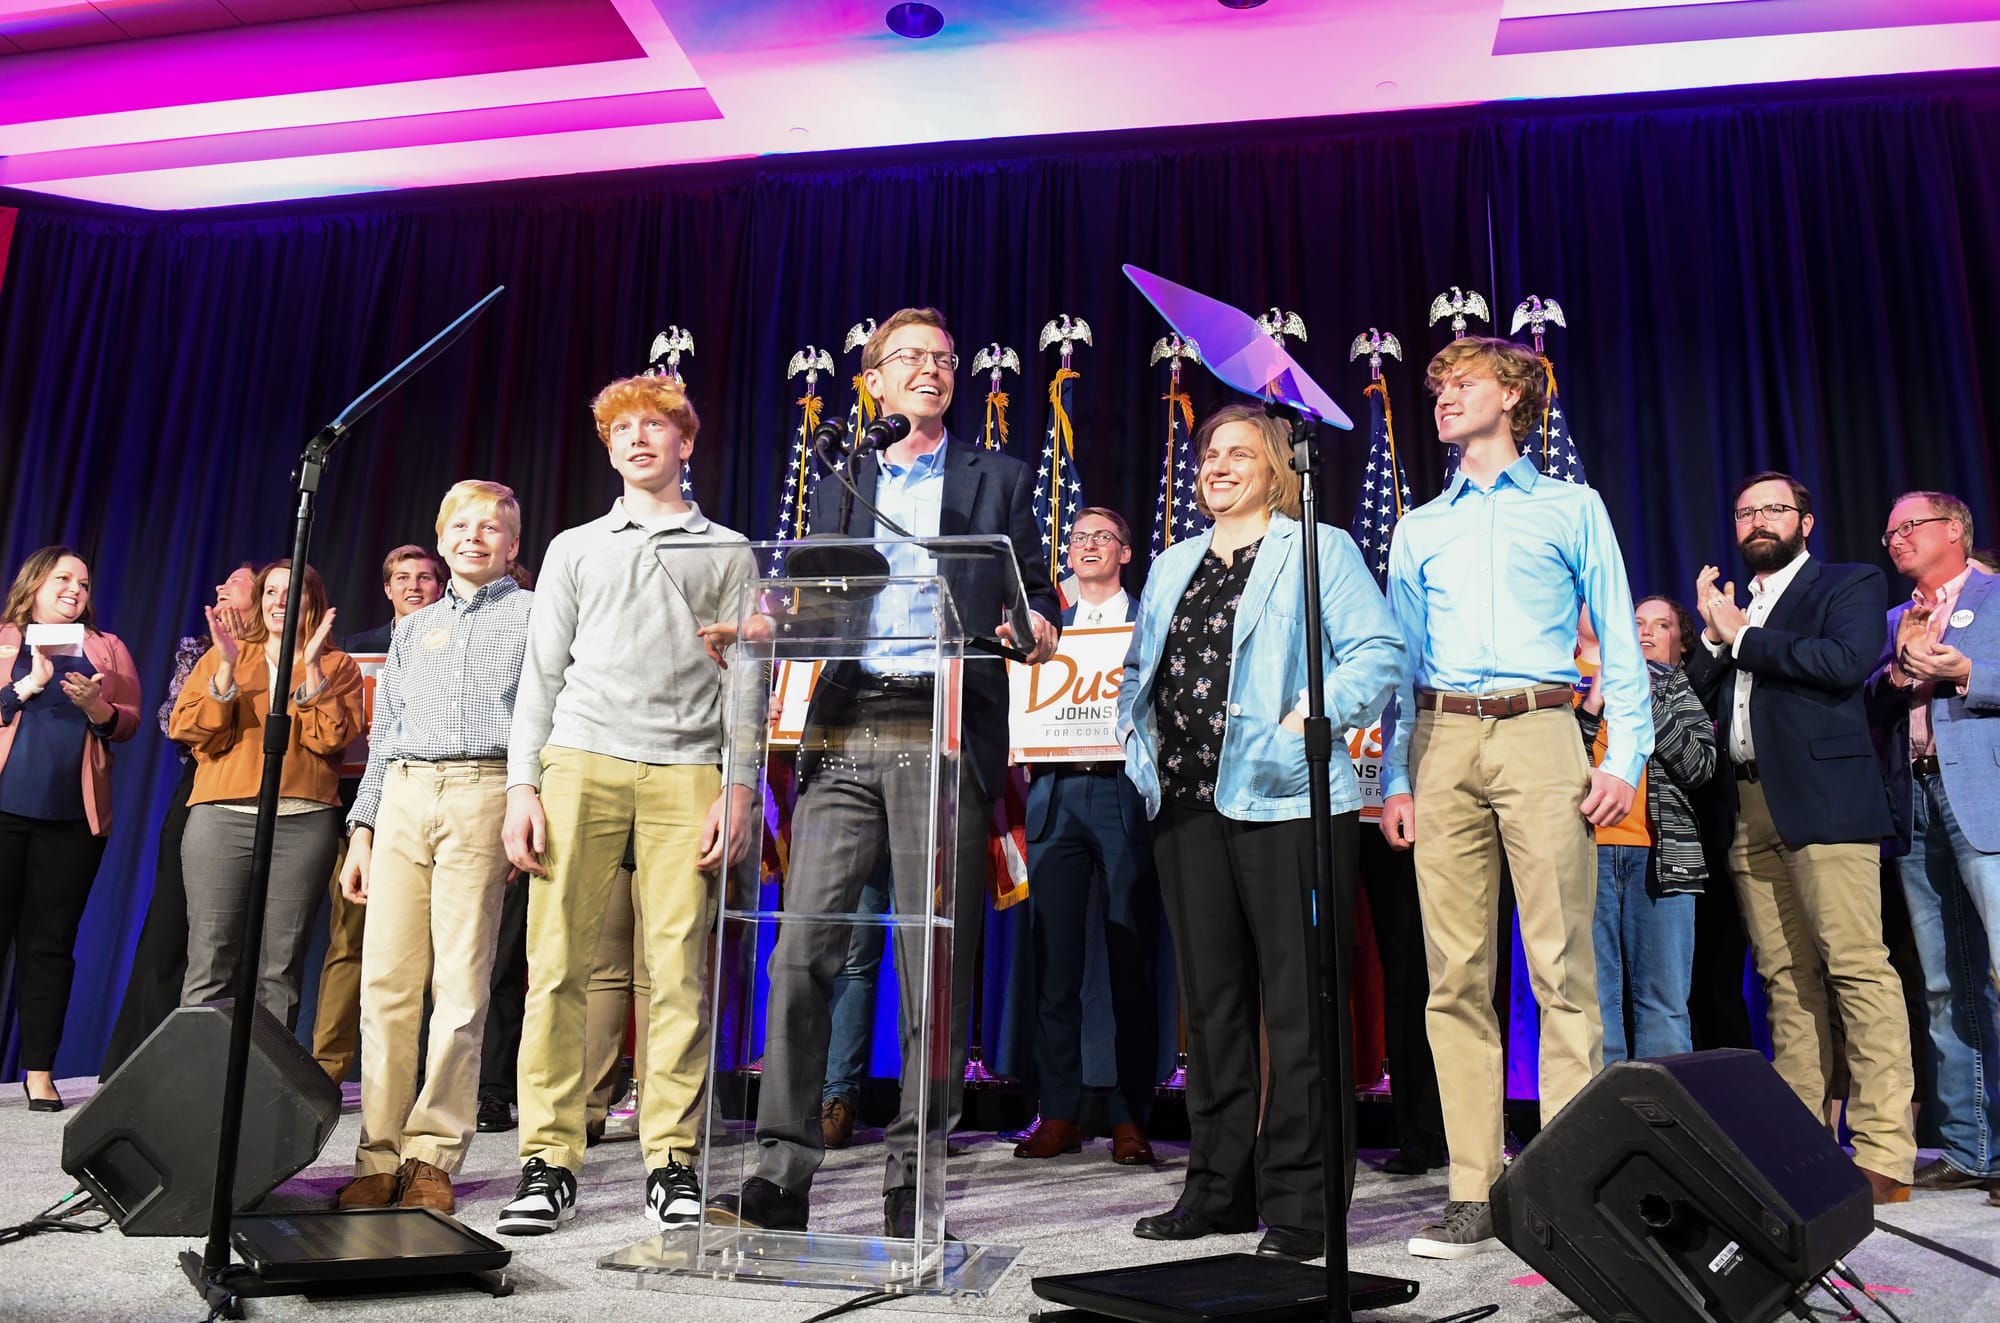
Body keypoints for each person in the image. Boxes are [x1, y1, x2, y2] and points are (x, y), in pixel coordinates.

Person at [707, 307, 1059, 1240]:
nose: (932, 370)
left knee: (931, 959)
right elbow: (814, 595)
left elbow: (1036, 598)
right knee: (800, 951)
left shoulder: (1001, 477)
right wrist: (765, 625)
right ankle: (781, 1172)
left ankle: (918, 1173)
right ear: (873, 379)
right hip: (846, 723)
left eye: (942, 360)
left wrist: (1032, 627)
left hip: (943, 723)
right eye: (909, 359)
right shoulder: (840, 475)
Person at [1379, 336, 1651, 1260]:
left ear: (1517, 393)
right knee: (1454, 975)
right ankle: (1472, 1186)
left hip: (1542, 730)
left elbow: (1619, 634)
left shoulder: (1571, 505)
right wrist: (1393, 774)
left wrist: (1626, 757)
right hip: (1441, 733)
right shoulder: (1419, 525)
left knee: (1562, 966)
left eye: (1463, 382)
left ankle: (1575, 1186)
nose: (1445, 397)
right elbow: (1398, 660)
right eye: (1438, 387)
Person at [1120, 405, 1405, 1262]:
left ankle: (1303, 1204)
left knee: (1300, 1010)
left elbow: (1379, 652)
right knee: (1211, 1010)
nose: (1218, 464)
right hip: (1186, 803)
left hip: (1285, 801)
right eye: (1210, 453)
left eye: (1239, 452)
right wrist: (1142, 752)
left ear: (1279, 466)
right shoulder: (1172, 564)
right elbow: (1142, 669)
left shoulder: (1319, 546)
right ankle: (1217, 1187)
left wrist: (1306, 719)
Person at [499, 373, 761, 1236]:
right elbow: (539, 675)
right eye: (622, 429)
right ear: (608, 447)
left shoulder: (727, 547)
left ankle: (673, 1158)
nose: (639, 438)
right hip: (580, 758)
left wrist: (740, 783)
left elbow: (749, 679)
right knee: (557, 965)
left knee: (678, 969)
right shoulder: (576, 545)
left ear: (686, 443)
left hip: (688, 768)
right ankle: (548, 1156)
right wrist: (521, 785)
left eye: (657, 426)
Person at [1685, 471, 1914, 1203]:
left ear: (1805, 522)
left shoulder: (1849, 584)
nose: (1758, 520)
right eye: (1745, 509)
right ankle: (1804, 1145)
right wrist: (1715, 636)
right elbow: (1697, 693)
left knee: (1855, 967)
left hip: (1826, 802)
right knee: (1785, 981)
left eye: (1774, 509)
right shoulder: (1735, 610)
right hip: (1748, 804)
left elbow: (1844, 665)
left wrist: (1743, 634)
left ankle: (1883, 1149)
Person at [334, 483, 531, 1214]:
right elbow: (385, 737)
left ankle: (431, 1154)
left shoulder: (536, 617)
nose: (472, 537)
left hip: (484, 789)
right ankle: (377, 1153)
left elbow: (542, 720)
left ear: (512, 544)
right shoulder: (413, 630)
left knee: (460, 985)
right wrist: (363, 829)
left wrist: (524, 802)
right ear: (441, 536)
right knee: (385, 982)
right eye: (459, 525)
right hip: (405, 798)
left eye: (490, 527)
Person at [1865, 491, 2000, 1198]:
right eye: (1889, 533)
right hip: (1915, 801)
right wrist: (1897, 670)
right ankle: (1974, 1148)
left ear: (1954, 530)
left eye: (1908, 527)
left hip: (1984, 798)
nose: (1895, 540)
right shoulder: (1895, 619)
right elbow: (1871, 705)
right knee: (1947, 982)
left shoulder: (1996, 596)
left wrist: (1965, 673)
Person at [1016, 506, 1161, 1166]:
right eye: (1078, 538)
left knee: (1130, 958)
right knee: (1055, 964)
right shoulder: (1046, 623)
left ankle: (1131, 1117)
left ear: (1126, 551)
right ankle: (1060, 1111)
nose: (1088, 545)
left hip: (1121, 790)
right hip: (1052, 793)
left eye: (1103, 535)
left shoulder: (1148, 616)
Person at [170, 560, 363, 1028]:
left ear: (312, 602)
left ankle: (265, 1089)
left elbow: (331, 739)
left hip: (303, 820)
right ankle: (202, 1085)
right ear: (260, 601)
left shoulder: (338, 666)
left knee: (280, 965)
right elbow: (191, 730)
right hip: (222, 816)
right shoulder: (225, 654)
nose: (280, 600)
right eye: (272, 591)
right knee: (211, 956)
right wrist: (227, 670)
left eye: (292, 591)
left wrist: (311, 667)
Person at [0, 547, 141, 1109]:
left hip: (72, 823)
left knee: (49, 946)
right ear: (35, 583)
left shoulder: (106, 648)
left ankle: (39, 1072)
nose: (76, 590)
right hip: (4, 815)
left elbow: (127, 723)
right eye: (64, 578)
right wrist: (27, 686)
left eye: (83, 582)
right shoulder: (6, 639)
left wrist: (97, 709)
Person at [101, 564, 255, 1076]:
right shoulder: (198, 649)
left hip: (264, 794)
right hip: (202, 789)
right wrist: (224, 667)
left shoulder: (289, 654)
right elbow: (174, 723)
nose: (220, 588)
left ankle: (224, 1068)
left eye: (233, 582)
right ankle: (139, 1062)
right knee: (171, 923)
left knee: (242, 940)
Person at [312, 544, 445, 1085]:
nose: (414, 586)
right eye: (402, 578)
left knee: (439, 948)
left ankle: (424, 1072)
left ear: (441, 586)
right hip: (363, 810)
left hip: (435, 808)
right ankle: (327, 1071)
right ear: (386, 589)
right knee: (350, 940)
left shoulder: (462, 643)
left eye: (426, 578)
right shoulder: (358, 650)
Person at [1577, 597, 1717, 1061]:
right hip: (1587, 856)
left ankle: (1665, 1128)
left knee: (1663, 1006)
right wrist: (1593, 707)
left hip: (1663, 861)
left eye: (1662, 624)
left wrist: (1644, 697)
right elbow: (1557, 769)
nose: (1646, 631)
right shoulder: (1577, 682)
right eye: (1635, 621)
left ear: (1680, 642)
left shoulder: (1678, 687)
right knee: (1595, 1005)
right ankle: (1604, 1127)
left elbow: (1699, 765)